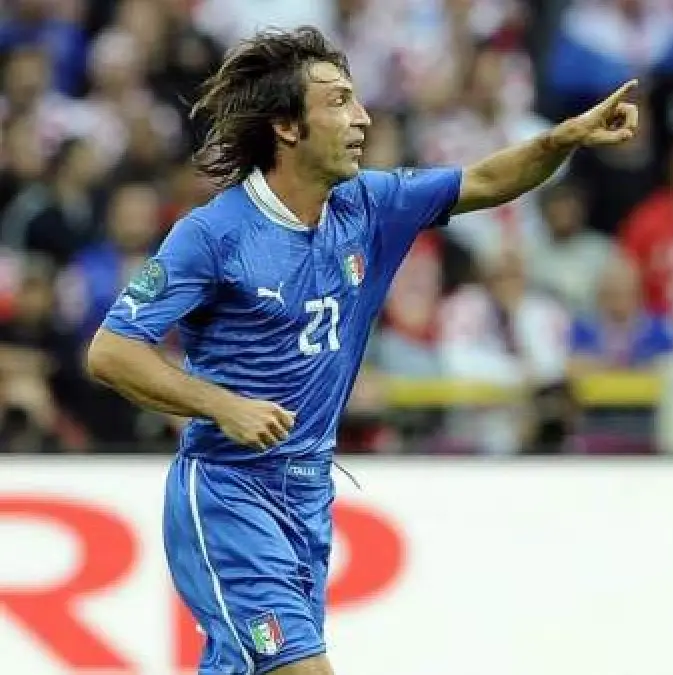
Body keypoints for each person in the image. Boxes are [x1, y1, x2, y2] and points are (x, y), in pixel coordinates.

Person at [84, 26, 639, 675]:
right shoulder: (213, 235)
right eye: (339, 101)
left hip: (308, 493)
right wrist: (221, 405)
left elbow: (487, 179)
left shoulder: (370, 205)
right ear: (287, 127)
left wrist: (561, 139)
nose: (363, 117)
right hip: (230, 494)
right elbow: (111, 351)